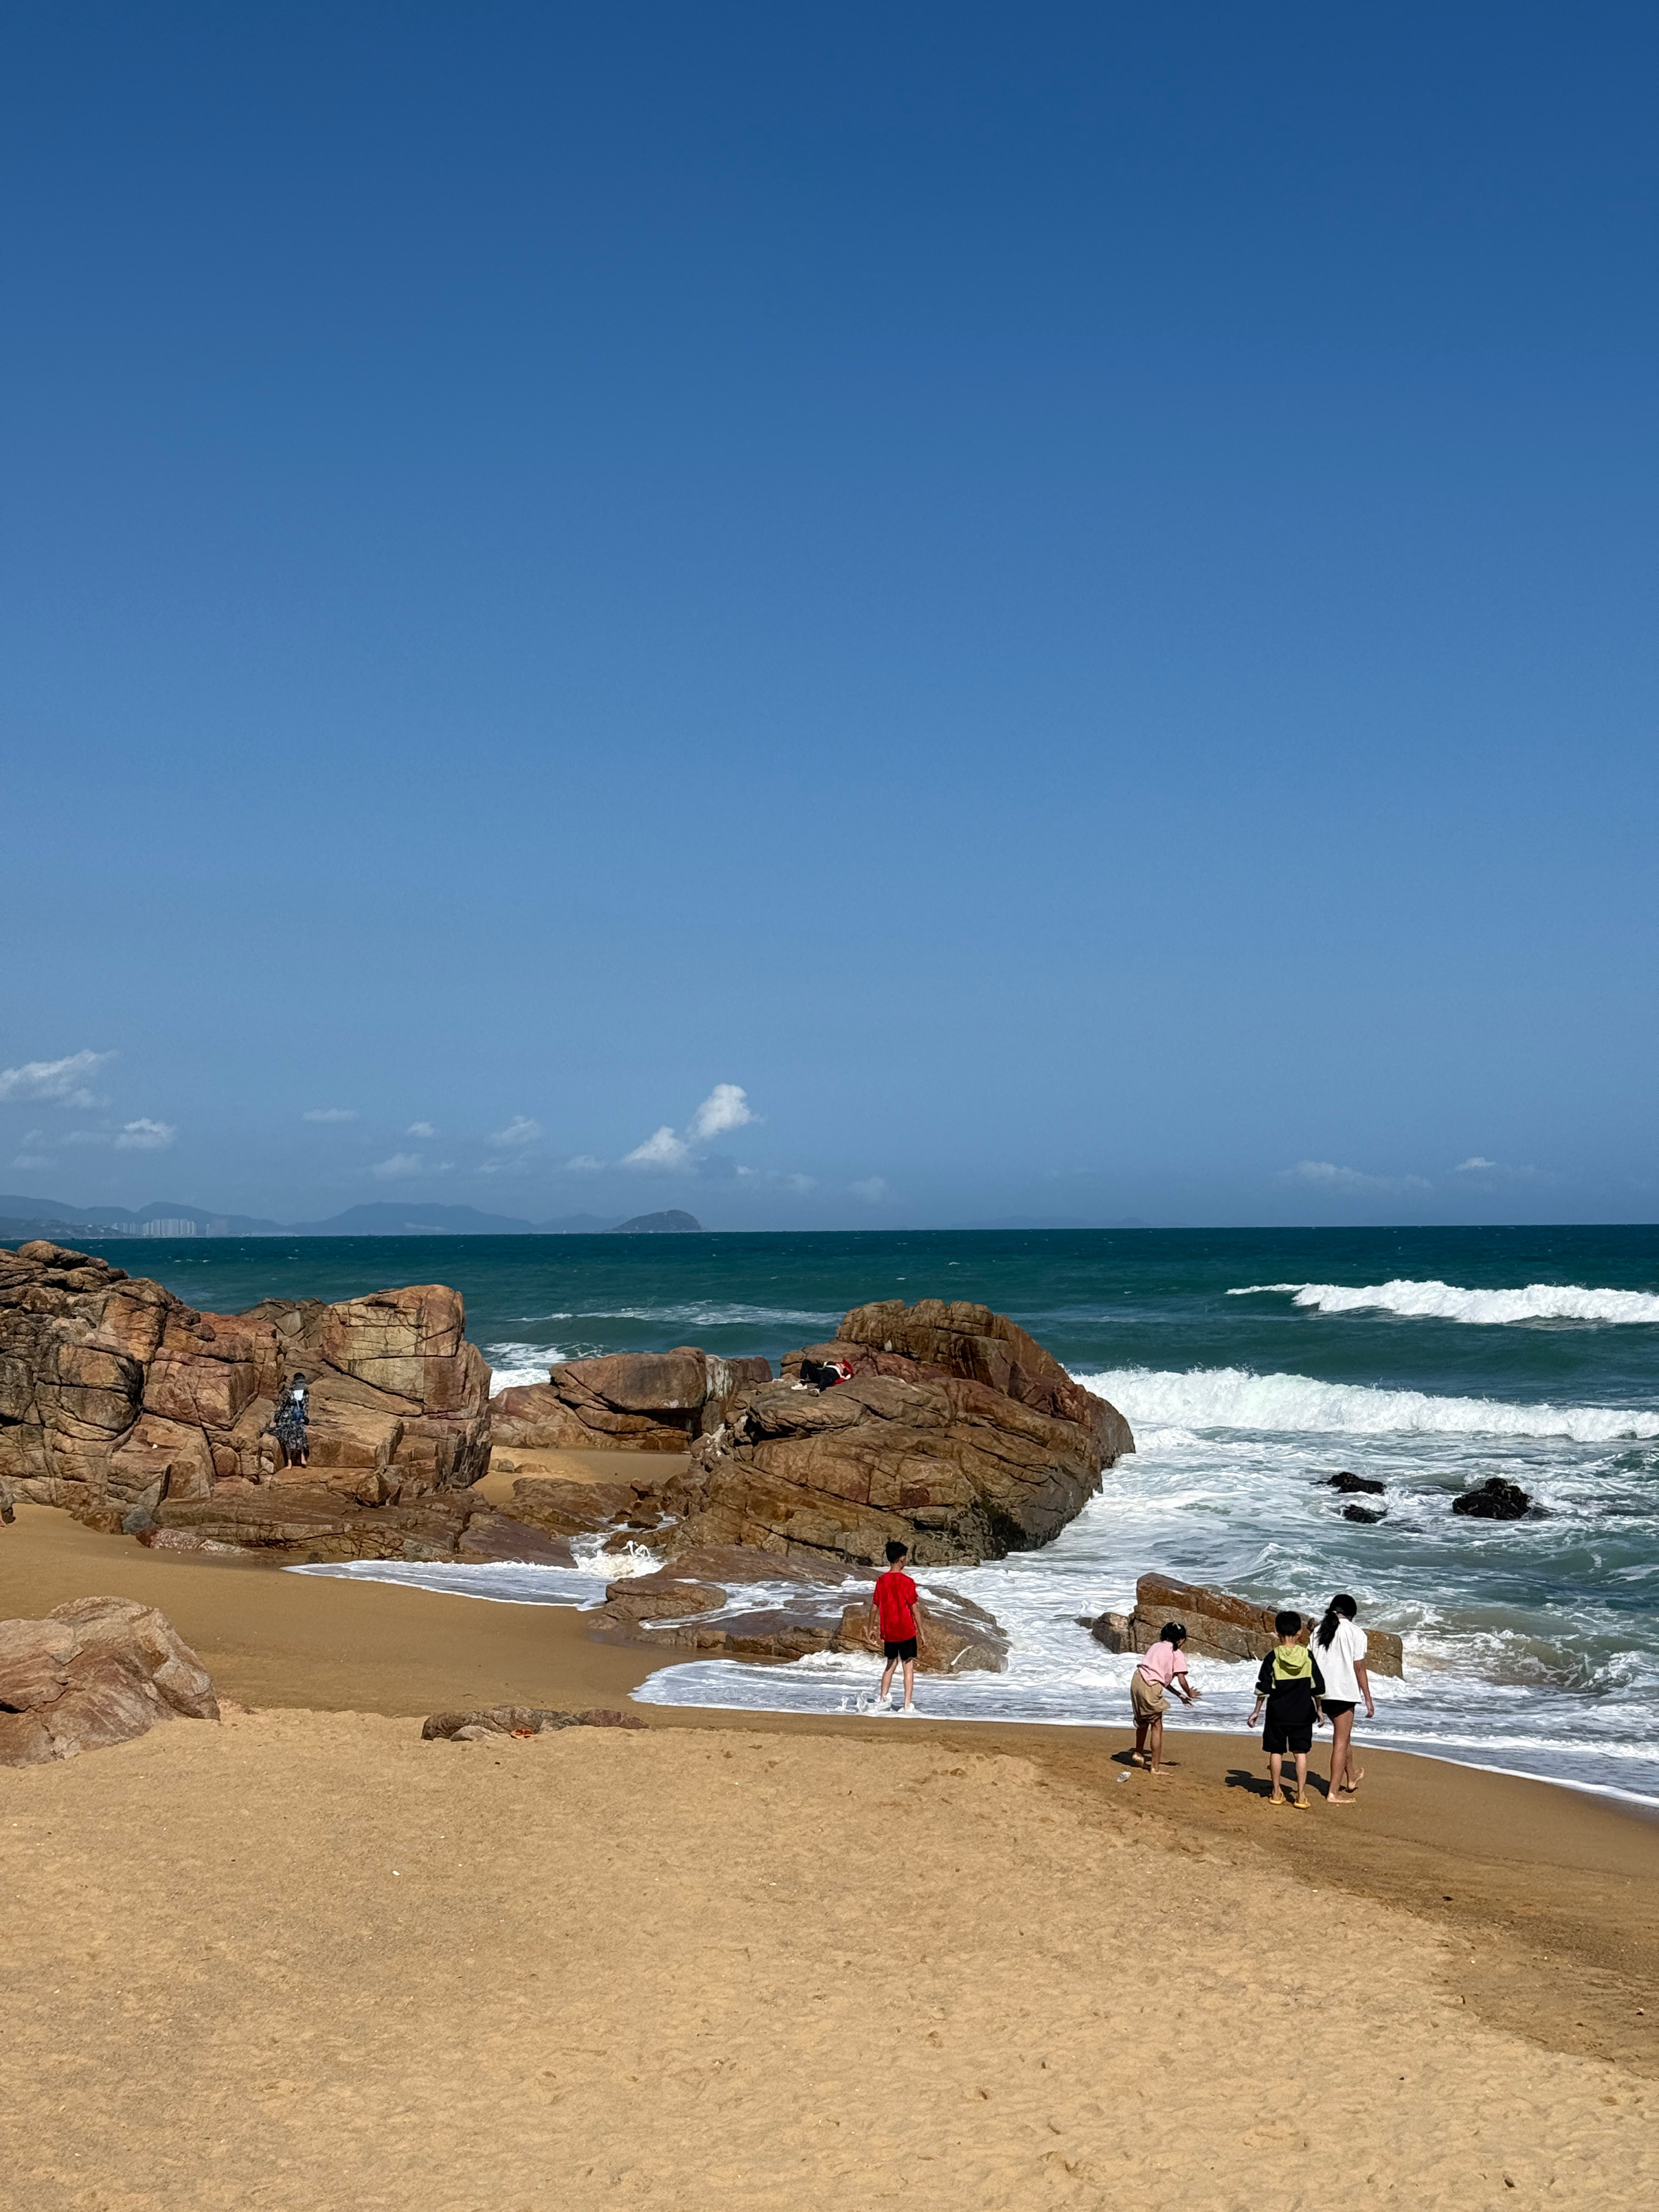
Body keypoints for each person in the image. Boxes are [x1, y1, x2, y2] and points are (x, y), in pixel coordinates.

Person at [1249, 1611, 1326, 1809]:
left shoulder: (1272, 1657)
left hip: (1277, 1713)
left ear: (1277, 1632)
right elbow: (1318, 1686)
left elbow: (1264, 1688)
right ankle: (1301, 1796)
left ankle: (1276, 1793)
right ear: (1300, 1632)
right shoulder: (1307, 1656)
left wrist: (1256, 1711)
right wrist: (1319, 1709)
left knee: (1276, 1751)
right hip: (1302, 1713)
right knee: (1300, 1753)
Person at [1313, 1592, 1374, 1804]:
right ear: (1351, 1613)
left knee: (1344, 1737)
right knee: (1340, 1742)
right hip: (1343, 1693)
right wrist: (1368, 1698)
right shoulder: (1356, 1633)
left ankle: (1352, 1776)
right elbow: (1359, 1667)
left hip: (1320, 1693)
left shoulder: (1318, 1631)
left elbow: (1311, 1661)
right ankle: (1333, 1793)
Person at [1130, 1621, 1200, 1773]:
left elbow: (1160, 1678)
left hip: (1137, 1680)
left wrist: (1180, 1695)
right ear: (1181, 1640)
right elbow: (1181, 1679)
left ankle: (1138, 1752)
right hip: (1151, 1684)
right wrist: (1189, 1693)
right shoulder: (1176, 1653)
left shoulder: (1156, 1646)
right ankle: (1155, 1767)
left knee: (1143, 1721)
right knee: (1157, 1726)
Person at [870, 1538, 925, 1715]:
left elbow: (874, 1607)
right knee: (908, 1667)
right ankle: (907, 1705)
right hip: (906, 1630)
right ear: (902, 1559)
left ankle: (882, 1700)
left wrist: (871, 1628)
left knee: (890, 1666)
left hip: (890, 1631)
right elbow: (915, 1610)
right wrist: (922, 1633)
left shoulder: (882, 1581)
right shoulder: (907, 1582)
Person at [273, 1373, 311, 1469]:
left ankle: (296, 1459)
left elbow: (305, 1405)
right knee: (294, 1435)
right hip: (293, 1417)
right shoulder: (295, 1392)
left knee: (295, 1436)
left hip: (294, 1417)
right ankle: (296, 1459)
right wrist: (277, 1417)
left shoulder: (300, 1392)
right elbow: (283, 1406)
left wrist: (305, 1416)